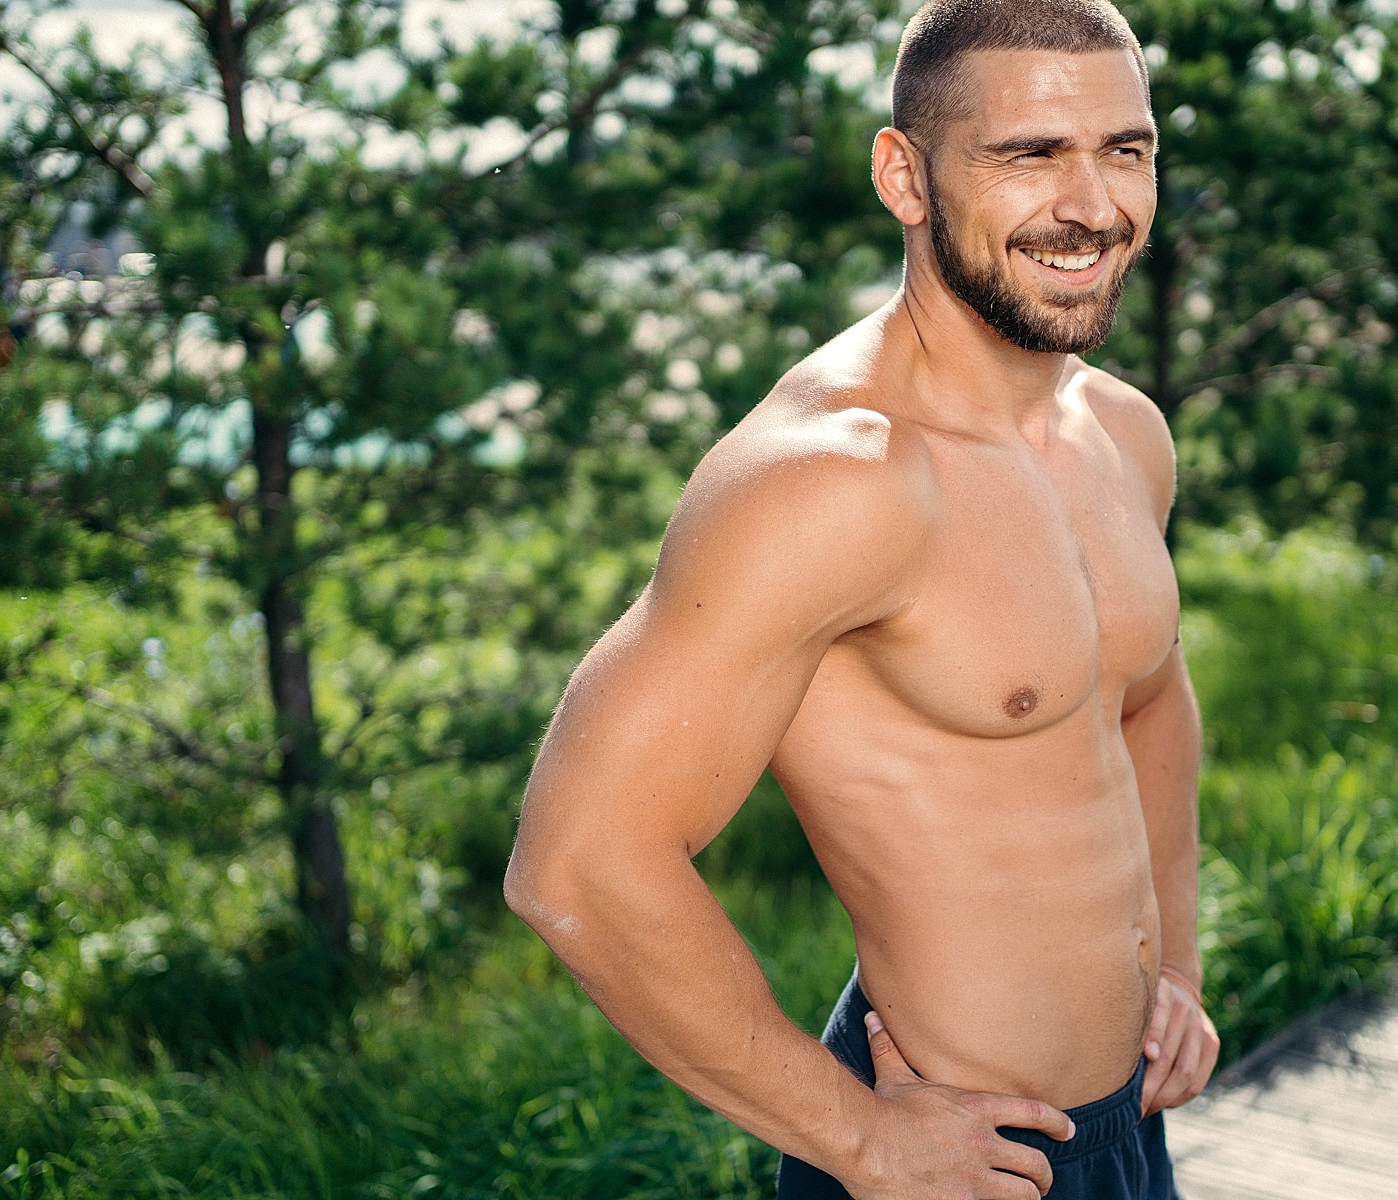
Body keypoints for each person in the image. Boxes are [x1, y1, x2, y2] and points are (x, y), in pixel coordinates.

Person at [502, 1, 1219, 1195]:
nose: (1093, 205)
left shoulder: (1120, 433)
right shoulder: (833, 480)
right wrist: (858, 1136)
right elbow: (577, 862)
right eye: (1029, 155)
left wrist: (1177, 969)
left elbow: (1148, 704)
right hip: (945, 1156)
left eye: (1124, 149)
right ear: (905, 174)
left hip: (1126, 1132)